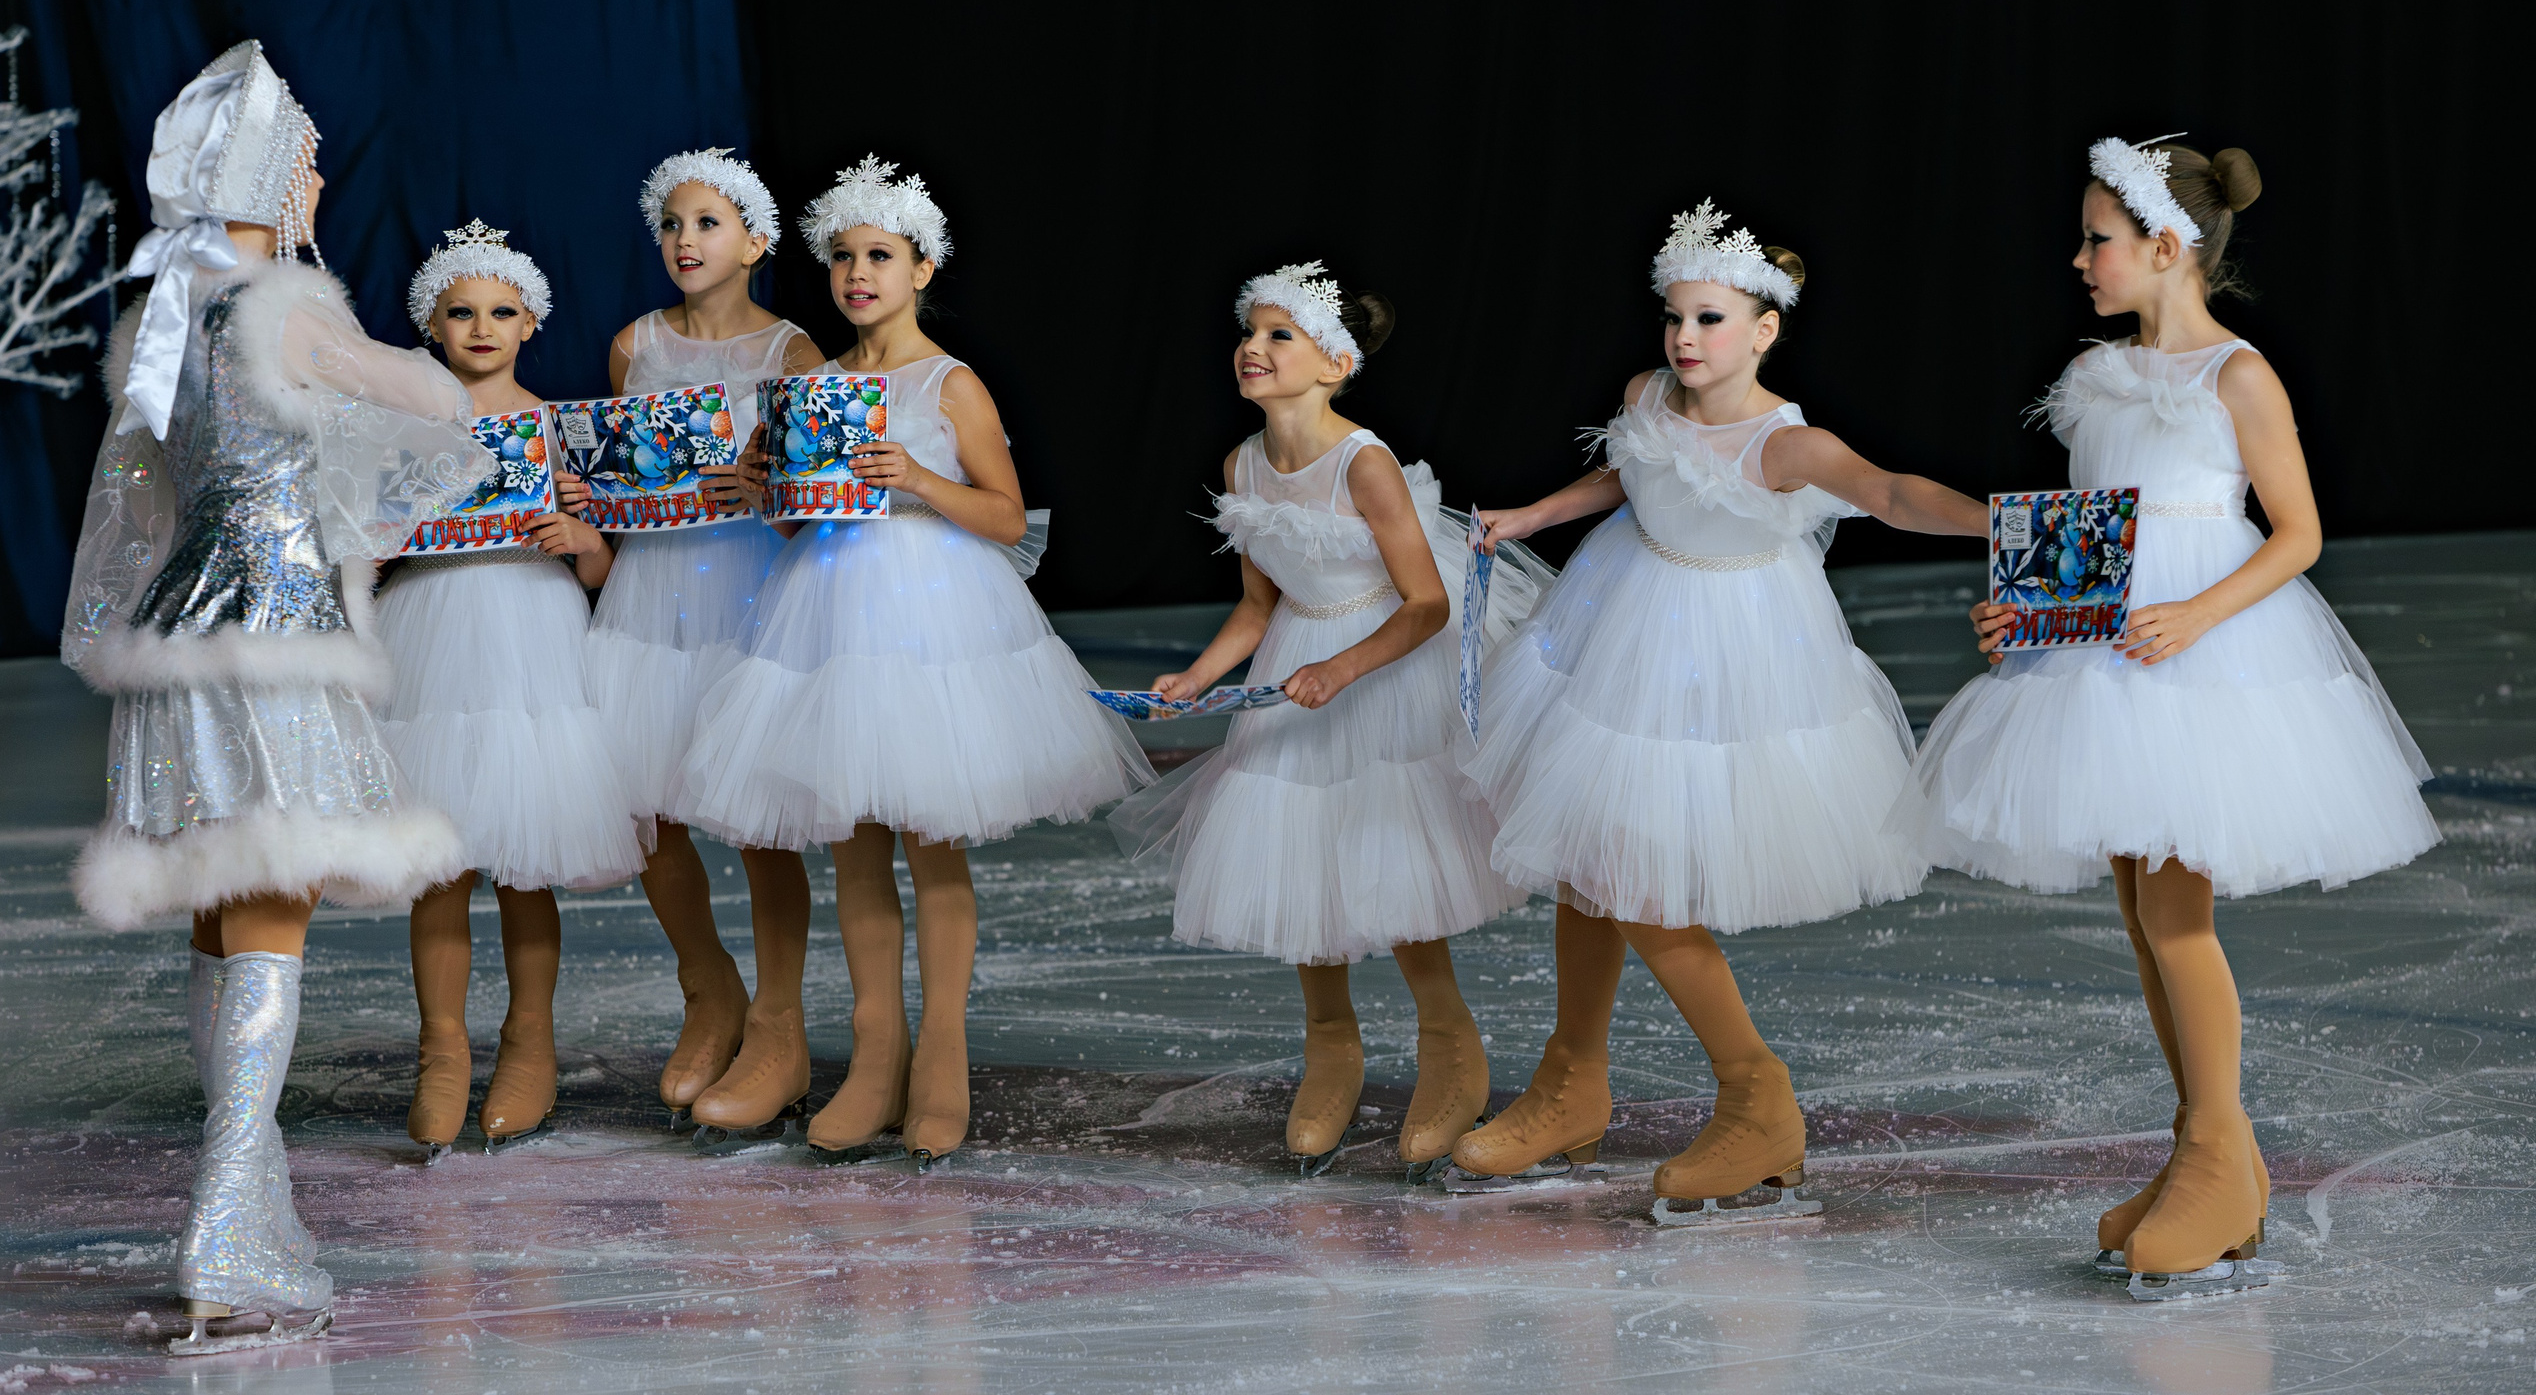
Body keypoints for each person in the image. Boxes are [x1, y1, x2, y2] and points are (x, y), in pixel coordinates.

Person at [1903, 137, 2438, 1297]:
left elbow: (2295, 534)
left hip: (2201, 657)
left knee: (2178, 914)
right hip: (2104, 656)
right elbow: (2085, 534)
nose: (2080, 259)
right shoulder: (2098, 378)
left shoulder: (2237, 376)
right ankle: (2212, 1156)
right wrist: (2023, 611)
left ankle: (2216, 1161)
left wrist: (2197, 615)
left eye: (2098, 239)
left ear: (2163, 247)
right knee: (2143, 910)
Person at [61, 41, 494, 1354]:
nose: (318, 170)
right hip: (275, 643)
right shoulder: (279, 305)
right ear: (258, 169)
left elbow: (141, 510)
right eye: (302, 153)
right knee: (271, 910)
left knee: (223, 913)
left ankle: (247, 1195)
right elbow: (436, 411)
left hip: (182, 649)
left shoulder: (162, 318)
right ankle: (227, 1216)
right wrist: (398, 388)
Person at [1452, 201, 1988, 1222]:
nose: (1685, 340)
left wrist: (2005, 526)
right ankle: (1573, 1078)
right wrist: (1531, 515)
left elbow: (1894, 494)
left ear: (1764, 329)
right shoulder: (1646, 394)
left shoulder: (1788, 446)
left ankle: (1755, 1095)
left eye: (1708, 321)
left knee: (1638, 873)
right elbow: (1629, 474)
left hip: (1723, 656)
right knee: (1586, 851)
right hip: (1619, 624)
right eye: (1675, 318)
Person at [676, 155, 1151, 1169]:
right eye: (843, 257)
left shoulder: (949, 383)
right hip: (831, 622)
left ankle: (942, 1054)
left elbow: (1010, 518)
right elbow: (806, 525)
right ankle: (873, 1053)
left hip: (934, 621)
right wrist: (770, 487)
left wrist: (920, 478)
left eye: (879, 256)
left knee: (933, 841)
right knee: (853, 839)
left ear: (921, 268)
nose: (857, 273)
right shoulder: (813, 385)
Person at [1110, 261, 1549, 1180]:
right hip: (1295, 660)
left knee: (1391, 859)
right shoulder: (1241, 462)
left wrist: (1344, 668)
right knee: (1299, 851)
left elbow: (1425, 603)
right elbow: (1258, 605)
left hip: (1379, 663)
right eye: (1251, 332)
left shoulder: (1366, 462)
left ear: (1334, 364)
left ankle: (1449, 1044)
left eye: (1281, 336)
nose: (1254, 348)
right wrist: (1196, 676)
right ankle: (1330, 1045)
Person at [570, 149, 823, 1134]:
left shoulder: (795, 357)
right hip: (652, 595)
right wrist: (598, 501)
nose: (685, 240)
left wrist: (772, 489)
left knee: (760, 817)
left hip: (750, 593)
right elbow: (626, 485)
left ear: (755, 242)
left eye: (708, 222)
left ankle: (778, 1023)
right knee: (647, 806)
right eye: (672, 224)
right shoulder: (634, 347)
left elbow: (814, 505)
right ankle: (708, 986)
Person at [377, 220, 641, 1158]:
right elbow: (362, 543)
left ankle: (530, 1041)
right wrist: (378, 538)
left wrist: (586, 543)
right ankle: (441, 1046)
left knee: (528, 858)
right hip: (434, 633)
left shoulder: (560, 430)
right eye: (461, 313)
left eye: (501, 311)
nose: (481, 327)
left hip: (532, 637)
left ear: (531, 322)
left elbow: (607, 566)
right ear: (432, 327)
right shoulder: (403, 429)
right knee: (438, 859)